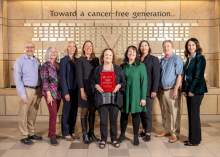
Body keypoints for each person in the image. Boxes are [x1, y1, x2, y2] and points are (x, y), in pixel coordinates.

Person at [92, 48, 125, 149]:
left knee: (114, 121)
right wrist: (96, 86)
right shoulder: (98, 69)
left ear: (112, 57)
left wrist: (118, 86)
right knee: (103, 121)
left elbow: (123, 82)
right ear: (103, 57)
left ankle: (114, 139)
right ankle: (103, 139)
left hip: (114, 99)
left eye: (110, 55)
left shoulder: (118, 68)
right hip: (102, 99)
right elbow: (92, 82)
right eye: (106, 55)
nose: (108, 57)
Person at [14, 42, 42, 145]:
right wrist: (22, 94)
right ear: (25, 48)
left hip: (37, 90)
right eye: (28, 47)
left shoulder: (36, 60)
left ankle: (31, 133)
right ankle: (24, 135)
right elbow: (17, 79)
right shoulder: (20, 60)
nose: (30, 49)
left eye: (32, 47)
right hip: (26, 90)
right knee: (23, 113)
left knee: (33, 113)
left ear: (34, 48)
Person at [118, 45, 147, 145]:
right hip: (124, 95)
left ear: (136, 55)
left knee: (136, 116)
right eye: (129, 52)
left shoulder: (141, 66)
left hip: (136, 95)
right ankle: (122, 135)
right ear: (127, 53)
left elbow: (144, 82)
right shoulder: (122, 66)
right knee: (124, 116)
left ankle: (135, 136)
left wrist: (143, 98)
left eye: (134, 52)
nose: (131, 54)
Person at [182, 38, 208, 146]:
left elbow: (198, 76)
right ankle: (193, 138)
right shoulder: (189, 59)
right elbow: (185, 76)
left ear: (196, 46)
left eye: (193, 45)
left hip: (196, 91)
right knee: (191, 115)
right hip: (189, 91)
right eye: (188, 45)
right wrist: (184, 90)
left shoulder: (200, 58)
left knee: (194, 115)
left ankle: (195, 141)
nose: (190, 47)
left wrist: (191, 90)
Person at [157, 40, 183, 143]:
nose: (166, 48)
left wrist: (176, 89)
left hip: (172, 89)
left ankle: (174, 133)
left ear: (172, 47)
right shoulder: (162, 60)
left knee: (174, 112)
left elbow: (179, 75)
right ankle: (166, 129)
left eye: (168, 46)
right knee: (165, 111)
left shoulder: (177, 59)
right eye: (164, 46)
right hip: (163, 90)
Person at [76, 40, 99, 144]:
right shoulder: (80, 60)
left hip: (93, 88)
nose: (89, 47)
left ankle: (91, 133)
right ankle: (84, 134)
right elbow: (79, 76)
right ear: (84, 48)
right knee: (84, 112)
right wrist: (82, 91)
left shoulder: (96, 60)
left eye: (90, 46)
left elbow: (98, 74)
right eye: (87, 46)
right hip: (84, 87)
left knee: (92, 111)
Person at [138, 40, 160, 142]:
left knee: (147, 112)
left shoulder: (153, 59)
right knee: (141, 112)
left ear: (149, 47)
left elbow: (156, 76)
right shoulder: (138, 59)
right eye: (142, 46)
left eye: (145, 45)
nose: (144, 47)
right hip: (138, 90)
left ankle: (148, 132)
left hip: (149, 90)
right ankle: (143, 129)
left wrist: (154, 90)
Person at [40, 47, 61, 146]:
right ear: (48, 53)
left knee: (54, 114)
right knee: (53, 114)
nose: (53, 53)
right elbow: (44, 81)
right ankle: (52, 135)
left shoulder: (58, 65)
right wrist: (48, 94)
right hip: (50, 93)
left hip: (58, 93)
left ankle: (50, 132)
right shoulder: (45, 65)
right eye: (51, 52)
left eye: (55, 51)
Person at [60, 41, 79, 141]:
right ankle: (65, 132)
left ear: (75, 48)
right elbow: (62, 77)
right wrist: (65, 92)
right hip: (68, 90)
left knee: (74, 112)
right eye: (70, 46)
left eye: (74, 46)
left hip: (76, 91)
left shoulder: (77, 60)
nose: (72, 48)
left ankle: (72, 131)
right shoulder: (63, 60)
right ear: (67, 48)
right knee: (67, 112)